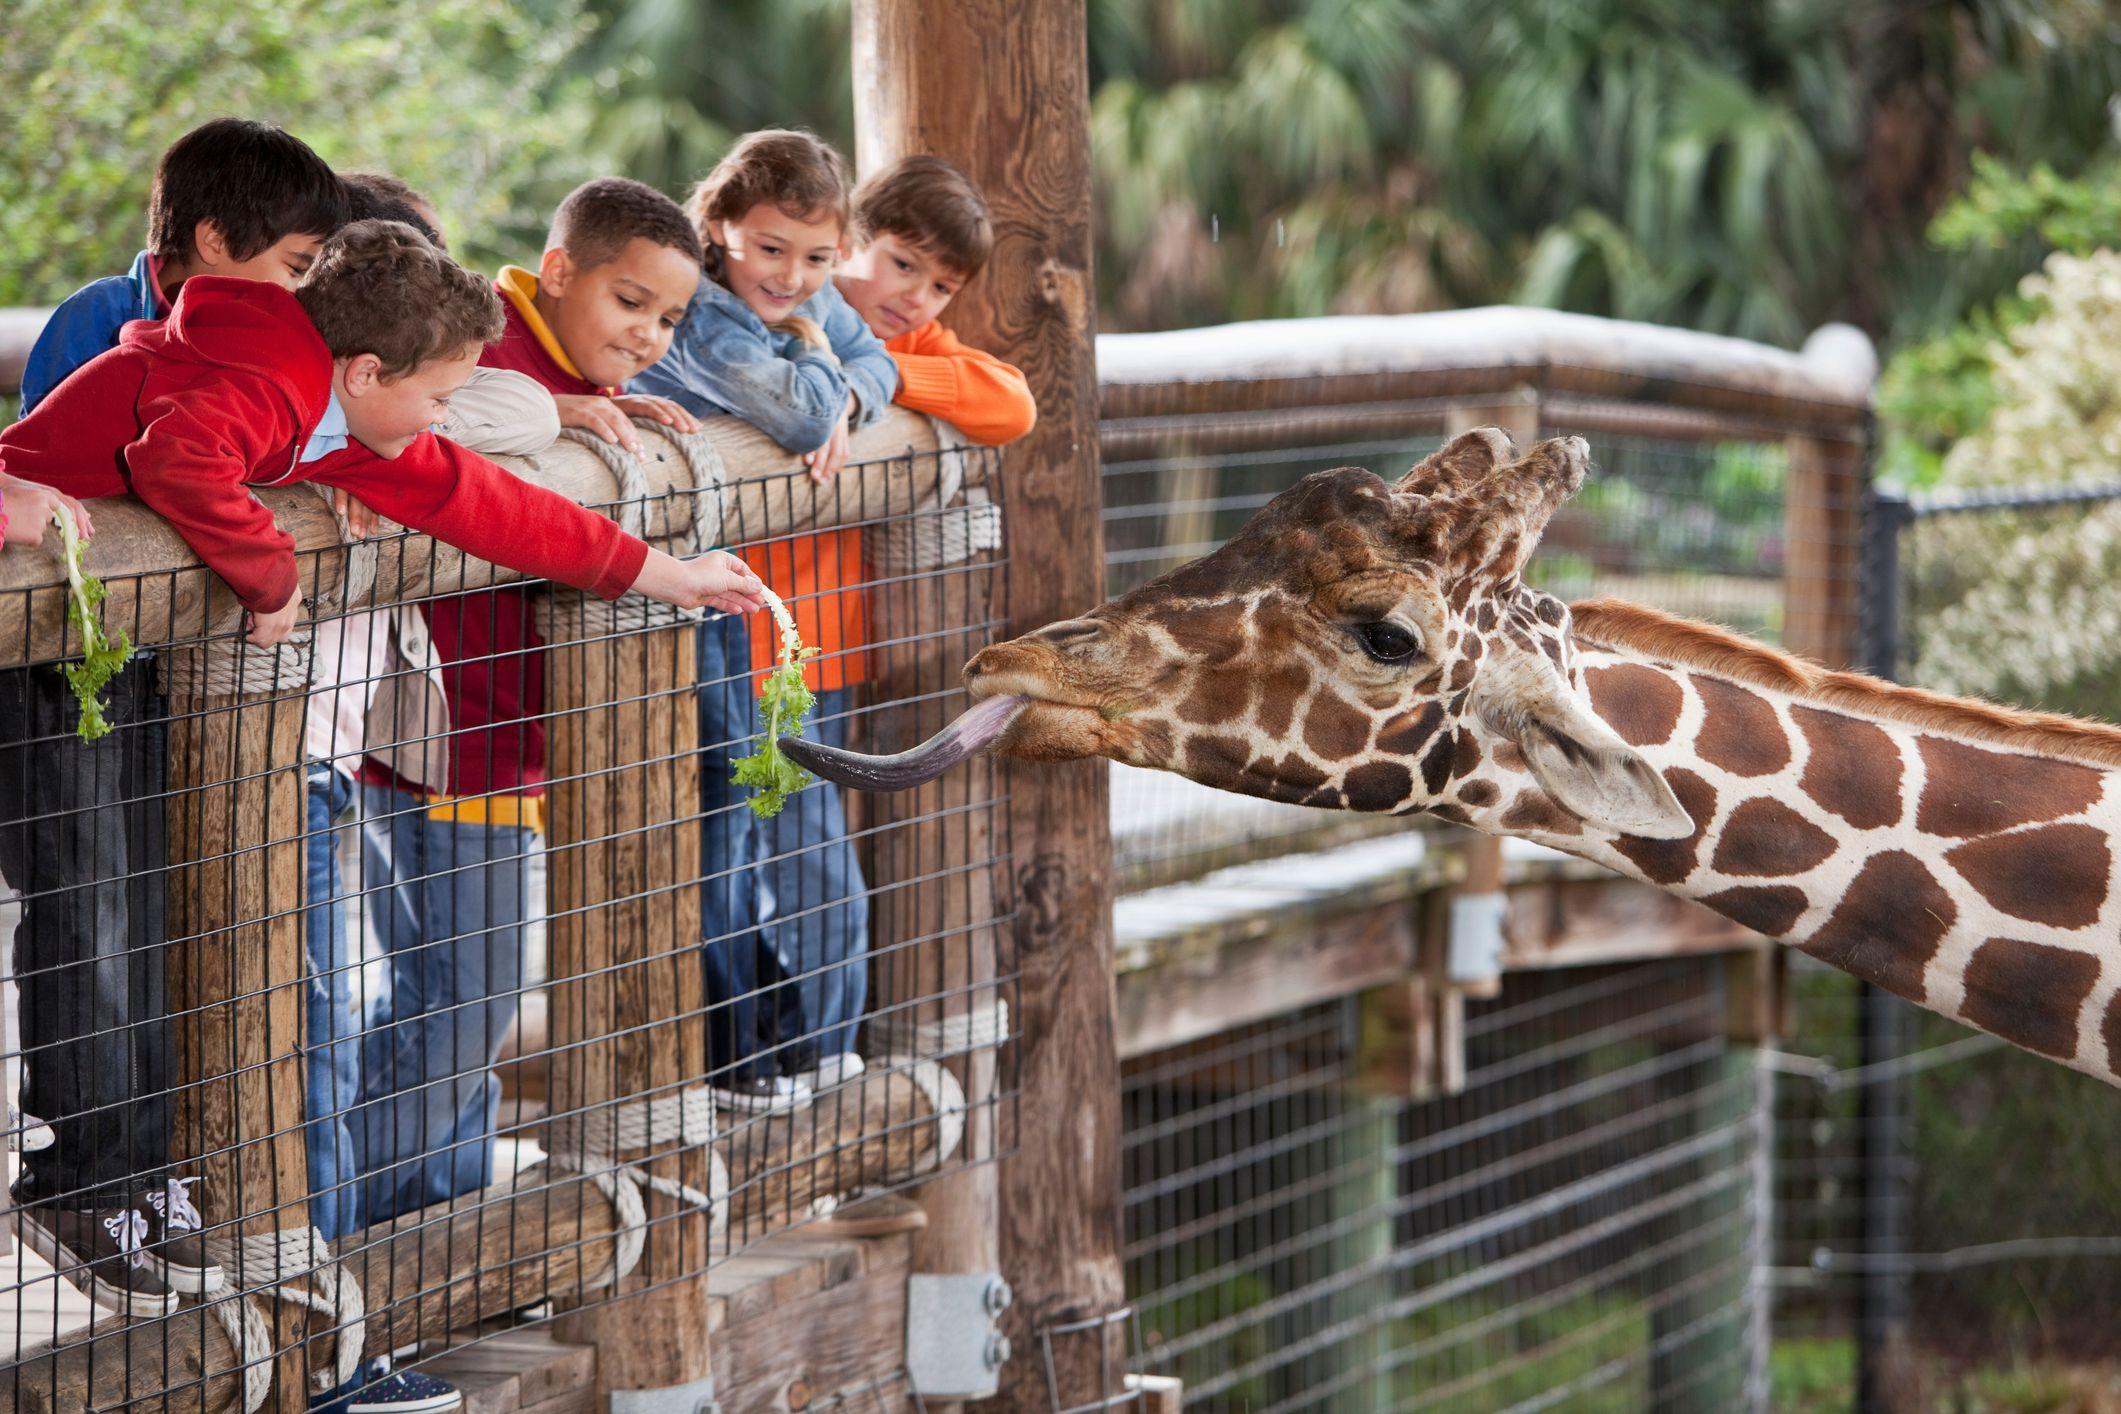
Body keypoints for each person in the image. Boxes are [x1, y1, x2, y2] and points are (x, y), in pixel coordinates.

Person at [0, 219, 764, 1325]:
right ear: (363, 373)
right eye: (437, 396)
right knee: (99, 915)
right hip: (38, 640)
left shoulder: (335, 416)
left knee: (139, 924)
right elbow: (177, 458)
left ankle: (126, 1183)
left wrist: (672, 577)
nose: (444, 417)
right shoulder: (265, 382)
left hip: (95, 648)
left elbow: (498, 505)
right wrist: (269, 579)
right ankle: (84, 1184)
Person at [630, 130, 898, 1109]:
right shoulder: (702, 312)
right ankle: (738, 1053)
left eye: (820, 259)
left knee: (761, 823)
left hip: (747, 609)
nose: (795, 277)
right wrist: (830, 367)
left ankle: (781, 1047)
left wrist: (846, 384)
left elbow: (882, 369)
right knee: (725, 828)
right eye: (771, 248)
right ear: (721, 229)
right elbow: (796, 414)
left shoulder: (798, 297)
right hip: (674, 605)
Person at [19, 117, 347, 413]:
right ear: (215, 241)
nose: (300, 291)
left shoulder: (254, 337)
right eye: (296, 269)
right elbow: (35, 443)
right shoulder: (102, 316)